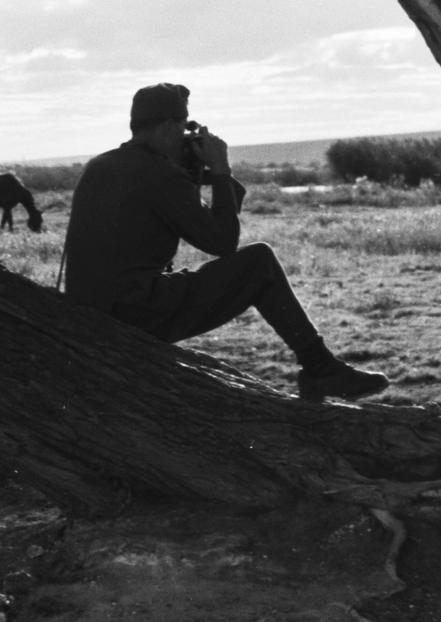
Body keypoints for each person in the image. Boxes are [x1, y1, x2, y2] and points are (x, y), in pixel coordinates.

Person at [64, 82, 388, 401]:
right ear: (166, 127)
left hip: (92, 312)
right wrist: (220, 171)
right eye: (183, 128)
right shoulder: (157, 173)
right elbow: (222, 242)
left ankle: (320, 368)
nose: (185, 139)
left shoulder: (100, 165)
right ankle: (320, 368)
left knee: (245, 265)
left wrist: (191, 176)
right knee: (258, 262)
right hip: (136, 312)